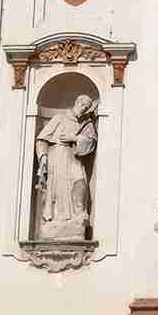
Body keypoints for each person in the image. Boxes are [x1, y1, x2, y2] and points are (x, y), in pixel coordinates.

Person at [35, 94, 98, 240]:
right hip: (58, 155)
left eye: (87, 107)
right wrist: (43, 156)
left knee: (80, 182)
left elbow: (91, 142)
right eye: (83, 105)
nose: (84, 109)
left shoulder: (85, 124)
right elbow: (42, 139)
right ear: (76, 102)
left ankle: (78, 216)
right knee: (60, 189)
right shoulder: (59, 118)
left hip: (74, 157)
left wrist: (75, 138)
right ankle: (60, 220)